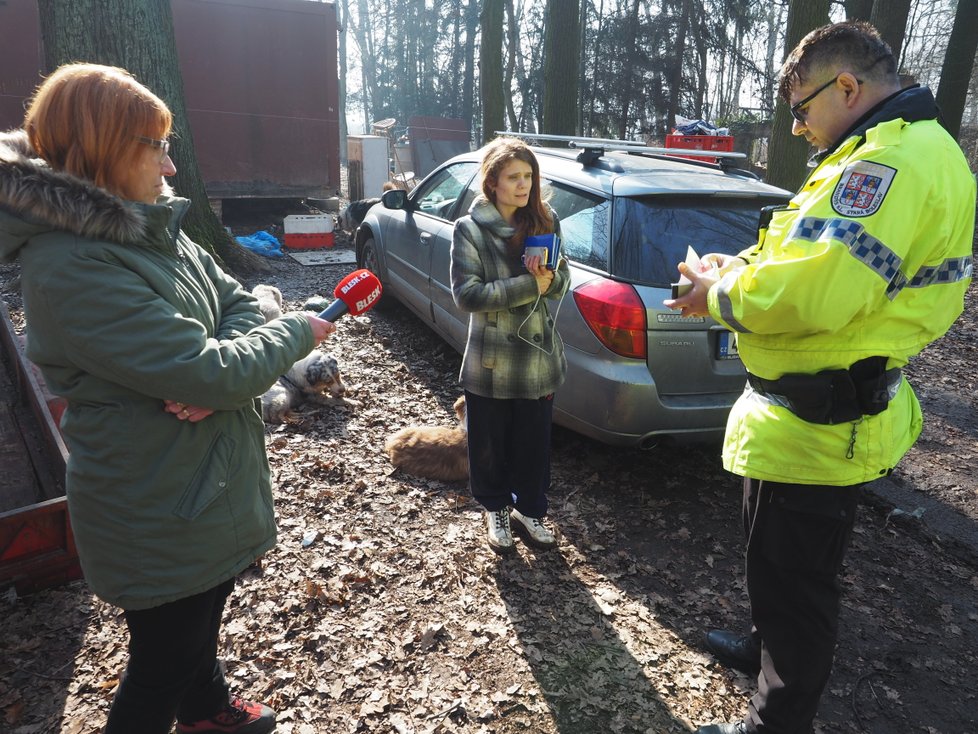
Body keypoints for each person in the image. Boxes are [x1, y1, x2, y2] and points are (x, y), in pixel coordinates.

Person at [0, 63, 336, 734]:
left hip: (193, 481)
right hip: (153, 500)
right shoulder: (72, 267)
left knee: (197, 615)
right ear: (101, 148)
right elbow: (208, 369)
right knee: (163, 660)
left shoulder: (147, 226)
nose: (172, 166)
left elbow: (235, 303)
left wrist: (219, 371)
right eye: (155, 145)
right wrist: (288, 336)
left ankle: (208, 712)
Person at [664, 22, 975, 734]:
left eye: (801, 108)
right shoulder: (887, 152)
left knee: (798, 587)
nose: (798, 126)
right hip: (798, 420)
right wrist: (733, 270)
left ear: (846, 87)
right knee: (773, 564)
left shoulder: (889, 165)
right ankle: (764, 646)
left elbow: (814, 295)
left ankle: (777, 717)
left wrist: (711, 297)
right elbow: (800, 254)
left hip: (818, 426)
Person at [450, 137, 570, 554]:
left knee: (533, 444)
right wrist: (526, 285)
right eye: (513, 177)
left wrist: (550, 279)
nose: (524, 185)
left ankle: (530, 510)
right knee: (490, 444)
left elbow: (563, 281)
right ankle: (496, 509)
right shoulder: (470, 229)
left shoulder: (545, 219)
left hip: (537, 358)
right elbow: (466, 295)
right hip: (491, 359)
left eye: (529, 176)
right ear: (493, 183)